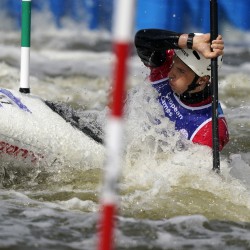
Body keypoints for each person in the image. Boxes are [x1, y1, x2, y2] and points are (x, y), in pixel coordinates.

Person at [134, 29, 229, 151]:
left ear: (202, 80)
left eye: (181, 71)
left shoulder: (210, 129)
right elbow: (142, 39)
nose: (170, 73)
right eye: (174, 65)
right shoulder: (164, 65)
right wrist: (189, 41)